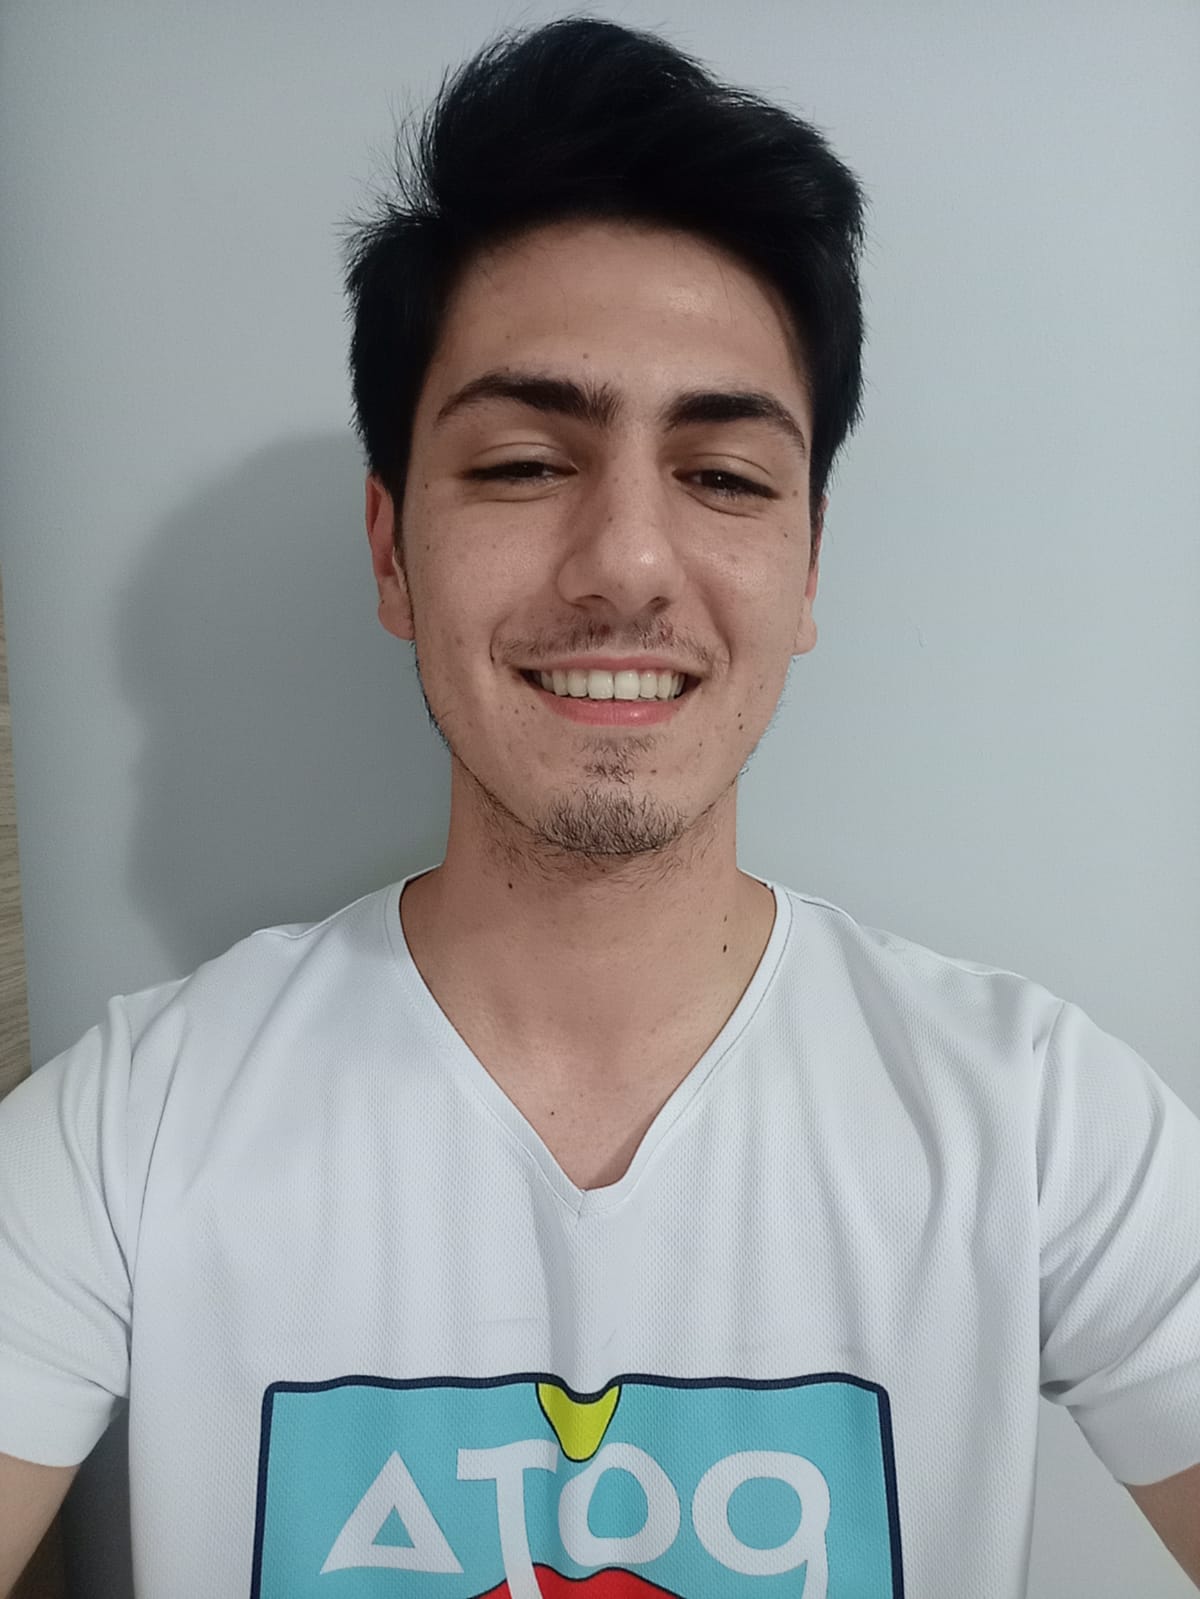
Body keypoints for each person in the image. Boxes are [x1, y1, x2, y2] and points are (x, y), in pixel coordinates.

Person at [1, 16, 1198, 1598]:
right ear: (391, 550)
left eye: (726, 478)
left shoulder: (1036, 1126)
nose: (628, 560)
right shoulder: (133, 1132)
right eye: (521, 464)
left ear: (808, 568)